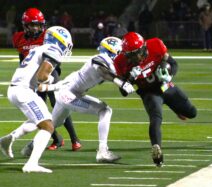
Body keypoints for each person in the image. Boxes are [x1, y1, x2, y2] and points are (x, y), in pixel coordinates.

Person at [21, 37, 135, 162]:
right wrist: (120, 82)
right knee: (105, 110)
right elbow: (103, 71)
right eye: (121, 52)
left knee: (53, 124)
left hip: (67, 92)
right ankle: (103, 151)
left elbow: (116, 78)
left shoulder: (108, 62)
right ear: (114, 51)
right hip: (69, 95)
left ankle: (31, 146)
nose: (123, 55)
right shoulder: (101, 59)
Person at [113, 32, 197, 167]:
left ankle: (175, 107)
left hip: (165, 86)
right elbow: (123, 92)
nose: (135, 58)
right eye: (130, 55)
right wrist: (129, 79)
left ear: (144, 48)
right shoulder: (120, 62)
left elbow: (173, 64)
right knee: (156, 117)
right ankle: (156, 149)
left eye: (136, 53)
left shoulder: (155, 44)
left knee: (192, 113)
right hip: (149, 93)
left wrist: (168, 73)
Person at [0, 26, 74, 173]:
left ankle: (7, 139)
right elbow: (42, 77)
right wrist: (54, 80)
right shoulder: (53, 50)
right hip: (23, 91)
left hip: (18, 89)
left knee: (40, 119)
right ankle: (31, 163)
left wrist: (56, 86)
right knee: (48, 126)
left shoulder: (39, 48)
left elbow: (39, 86)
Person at [12, 8, 81, 151]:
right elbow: (22, 58)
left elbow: (56, 55)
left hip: (50, 72)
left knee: (59, 102)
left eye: (38, 24)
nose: (36, 27)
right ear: (25, 25)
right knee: (38, 110)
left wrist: (53, 73)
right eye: (32, 25)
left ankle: (75, 139)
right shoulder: (18, 38)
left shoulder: (48, 35)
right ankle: (56, 139)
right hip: (32, 76)